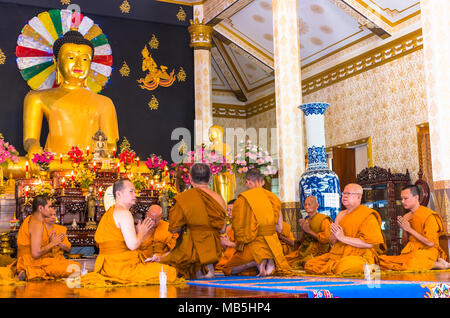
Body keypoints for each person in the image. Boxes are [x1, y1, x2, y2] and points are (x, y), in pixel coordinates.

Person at [23, 30, 119, 158]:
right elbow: (30, 138)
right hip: (54, 164)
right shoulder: (36, 98)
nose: (78, 64)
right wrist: (33, 147)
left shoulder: (104, 103)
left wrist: (99, 157)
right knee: (14, 167)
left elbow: (111, 145)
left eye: (85, 59)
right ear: (56, 61)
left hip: (90, 166)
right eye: (71, 57)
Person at [82, 179, 178, 285]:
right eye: (131, 191)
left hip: (107, 266)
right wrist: (141, 232)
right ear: (118, 194)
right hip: (122, 268)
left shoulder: (110, 212)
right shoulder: (124, 213)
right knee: (169, 272)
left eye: (134, 191)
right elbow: (132, 245)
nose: (135, 195)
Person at [161, 163, 227, 279]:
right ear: (209, 178)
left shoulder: (184, 198)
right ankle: (208, 268)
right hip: (212, 250)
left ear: (190, 179)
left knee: (163, 267)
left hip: (189, 251)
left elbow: (174, 229)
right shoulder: (219, 199)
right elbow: (222, 229)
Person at [221, 169, 291, 277]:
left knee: (227, 269)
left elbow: (239, 227)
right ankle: (269, 262)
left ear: (248, 181)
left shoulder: (243, 199)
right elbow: (280, 228)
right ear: (262, 182)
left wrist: (238, 244)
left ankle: (254, 263)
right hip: (273, 246)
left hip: (253, 246)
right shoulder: (274, 198)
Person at [304, 183, 386, 276]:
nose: (344, 196)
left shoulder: (367, 215)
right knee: (310, 264)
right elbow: (332, 241)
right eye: (343, 193)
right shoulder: (340, 214)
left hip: (359, 255)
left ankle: (334, 268)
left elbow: (370, 244)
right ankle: (332, 268)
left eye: (348, 193)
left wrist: (343, 238)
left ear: (359, 197)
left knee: (343, 266)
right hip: (337, 255)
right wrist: (334, 235)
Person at [379, 185, 450, 271]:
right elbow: (405, 243)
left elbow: (431, 243)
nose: (402, 201)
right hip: (412, 252)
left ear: (416, 197)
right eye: (401, 199)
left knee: (414, 263)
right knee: (383, 261)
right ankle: (434, 264)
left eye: (405, 198)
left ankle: (440, 264)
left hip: (428, 251)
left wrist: (409, 229)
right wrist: (404, 230)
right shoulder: (406, 217)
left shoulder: (428, 216)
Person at [16, 195, 80, 280]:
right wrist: (53, 243)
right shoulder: (37, 224)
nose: (51, 210)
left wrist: (52, 242)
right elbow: (36, 254)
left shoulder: (32, 220)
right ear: (40, 208)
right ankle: (30, 272)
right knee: (74, 268)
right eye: (49, 207)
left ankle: (31, 272)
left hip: (35, 260)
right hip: (31, 261)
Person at [285, 195, 332, 269]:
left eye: (309, 204)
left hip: (318, 251)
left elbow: (326, 239)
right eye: (305, 204)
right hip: (305, 250)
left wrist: (309, 231)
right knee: (284, 260)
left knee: (307, 263)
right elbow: (302, 241)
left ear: (317, 206)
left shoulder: (323, 220)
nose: (307, 206)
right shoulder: (306, 220)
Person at [216, 199, 238, 272]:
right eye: (227, 210)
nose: (229, 213)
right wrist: (223, 243)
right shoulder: (229, 227)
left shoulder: (244, 226)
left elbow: (246, 247)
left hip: (239, 256)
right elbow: (226, 249)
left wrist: (230, 244)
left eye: (231, 210)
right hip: (229, 256)